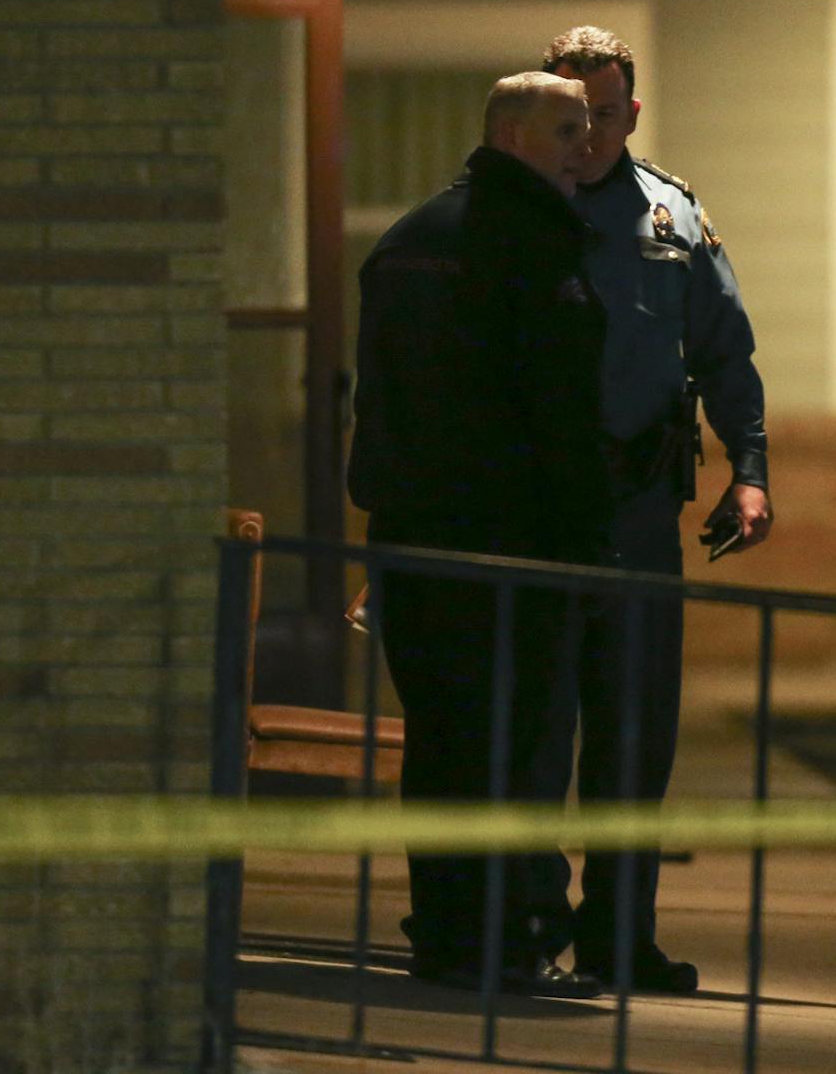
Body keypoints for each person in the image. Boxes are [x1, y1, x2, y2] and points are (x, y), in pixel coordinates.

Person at [346, 72, 609, 999]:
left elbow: (375, 400)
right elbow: (560, 413)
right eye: (565, 130)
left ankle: (449, 935)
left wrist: (381, 517)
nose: (585, 146)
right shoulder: (531, 247)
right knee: (511, 745)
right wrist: (587, 539)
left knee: (442, 743)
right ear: (510, 136)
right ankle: (501, 945)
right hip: (515, 544)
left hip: (418, 541)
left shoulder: (408, 242)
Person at [537, 26, 772, 994]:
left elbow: (725, 350)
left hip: (637, 513)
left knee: (636, 736)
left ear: (631, 111)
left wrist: (749, 469)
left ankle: (619, 933)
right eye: (571, 112)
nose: (588, 130)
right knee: (537, 735)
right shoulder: (512, 210)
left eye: (604, 111)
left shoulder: (671, 214)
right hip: (536, 513)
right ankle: (529, 926)